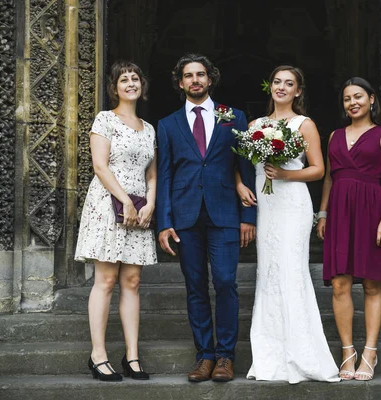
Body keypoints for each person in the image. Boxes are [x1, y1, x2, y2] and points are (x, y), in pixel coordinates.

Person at [156, 53, 257, 383]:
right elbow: (166, 175)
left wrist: (248, 217)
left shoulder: (233, 117)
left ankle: (226, 356)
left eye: (200, 74)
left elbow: (246, 169)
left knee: (226, 282)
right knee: (195, 287)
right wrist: (164, 222)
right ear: (181, 82)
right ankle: (205, 356)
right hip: (185, 217)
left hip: (225, 213)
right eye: (188, 75)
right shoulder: (168, 124)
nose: (195, 80)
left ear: (210, 79)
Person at [236, 66, 340, 384]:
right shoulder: (256, 126)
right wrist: (242, 184)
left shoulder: (304, 124)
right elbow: (239, 163)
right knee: (268, 273)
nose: (282, 87)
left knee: (292, 270)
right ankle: (270, 354)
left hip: (293, 203)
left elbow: (319, 170)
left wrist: (285, 174)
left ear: (298, 91)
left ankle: (302, 353)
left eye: (289, 83)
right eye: (278, 82)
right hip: (266, 206)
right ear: (270, 87)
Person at [75, 60, 157, 382]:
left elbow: (152, 171)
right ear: (115, 87)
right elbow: (100, 165)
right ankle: (98, 355)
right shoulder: (104, 119)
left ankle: (132, 356)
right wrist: (125, 201)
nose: (131, 84)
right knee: (106, 281)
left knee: (132, 282)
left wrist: (150, 202)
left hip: (140, 206)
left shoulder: (148, 128)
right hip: (109, 204)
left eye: (135, 78)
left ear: (142, 86)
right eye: (125, 80)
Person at [316, 77, 381, 381]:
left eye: (358, 97)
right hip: (339, 212)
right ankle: (348, 352)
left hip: (372, 211)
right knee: (339, 283)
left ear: (372, 99)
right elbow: (328, 178)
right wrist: (323, 214)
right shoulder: (334, 136)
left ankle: (370, 353)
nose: (353, 103)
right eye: (347, 98)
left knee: (371, 284)